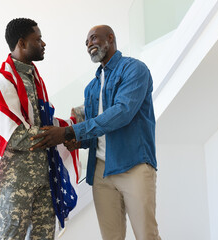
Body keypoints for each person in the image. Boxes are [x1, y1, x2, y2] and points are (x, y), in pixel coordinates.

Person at [31, 25, 161, 240]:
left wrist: (69, 131)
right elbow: (96, 127)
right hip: (101, 170)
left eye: (93, 38)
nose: (89, 44)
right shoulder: (91, 87)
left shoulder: (135, 69)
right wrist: (77, 140)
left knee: (147, 235)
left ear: (110, 38)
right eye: (87, 42)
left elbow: (122, 113)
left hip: (134, 166)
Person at [0, 18, 78, 240]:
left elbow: (39, 123)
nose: (44, 44)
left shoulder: (34, 78)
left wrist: (68, 126)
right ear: (21, 43)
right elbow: (14, 135)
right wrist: (60, 135)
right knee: (9, 237)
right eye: (37, 39)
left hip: (44, 177)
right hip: (16, 181)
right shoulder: (3, 81)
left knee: (44, 236)